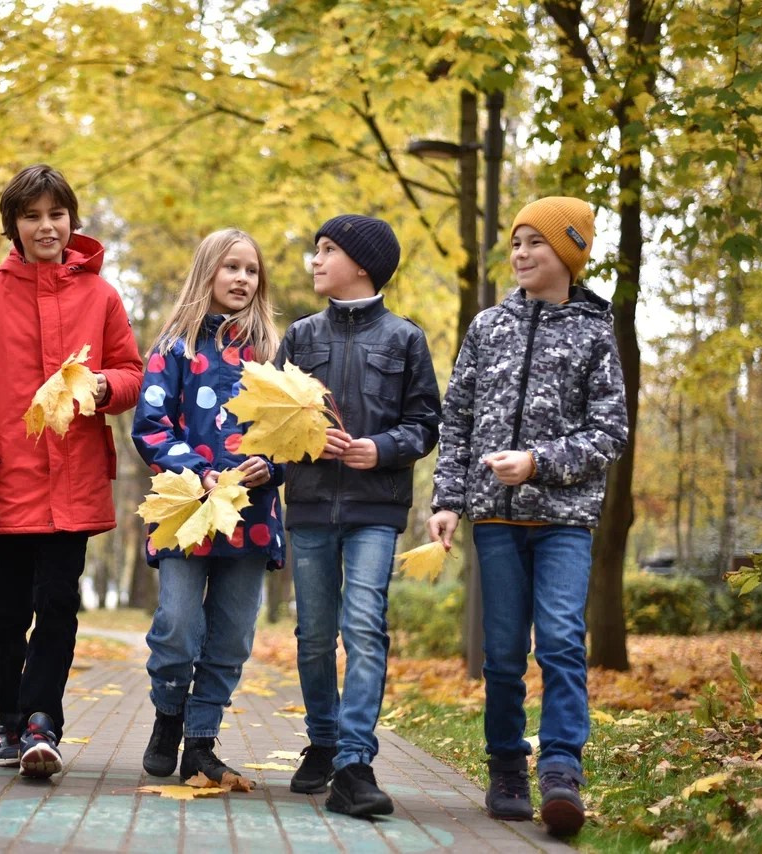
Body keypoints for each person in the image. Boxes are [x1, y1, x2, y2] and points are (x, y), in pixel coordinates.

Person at [427, 196, 628, 837]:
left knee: (562, 640)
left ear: (568, 252)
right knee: (504, 652)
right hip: (494, 520)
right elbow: (457, 420)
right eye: (515, 242)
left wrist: (538, 463)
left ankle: (562, 770)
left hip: (565, 520)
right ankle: (508, 769)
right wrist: (447, 501)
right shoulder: (487, 327)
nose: (520, 253)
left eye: (534, 242)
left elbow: (610, 432)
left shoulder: (596, 332)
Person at [0, 164, 144, 779]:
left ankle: (40, 722)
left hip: (75, 479)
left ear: (72, 220)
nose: (46, 226)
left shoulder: (101, 296)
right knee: (8, 610)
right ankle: (4, 717)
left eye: (56, 214)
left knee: (58, 604)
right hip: (11, 479)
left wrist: (106, 386)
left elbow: (133, 374)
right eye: (31, 216)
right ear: (14, 225)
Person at [277, 215, 441, 818]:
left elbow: (425, 424)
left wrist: (381, 448)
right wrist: (303, 442)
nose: (315, 260)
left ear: (363, 265)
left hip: (376, 509)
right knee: (315, 635)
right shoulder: (300, 337)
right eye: (316, 249)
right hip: (311, 505)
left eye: (327, 250)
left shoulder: (405, 339)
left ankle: (354, 762)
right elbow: (269, 423)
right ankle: (322, 741)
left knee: (365, 626)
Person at [130, 228, 286, 783]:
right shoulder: (174, 348)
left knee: (232, 635)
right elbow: (151, 426)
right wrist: (199, 472)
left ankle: (200, 740)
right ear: (207, 272)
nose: (242, 278)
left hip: (252, 518)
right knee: (177, 624)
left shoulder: (271, 354)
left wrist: (272, 465)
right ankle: (169, 713)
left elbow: (292, 432)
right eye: (231, 267)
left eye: (251, 270)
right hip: (186, 512)